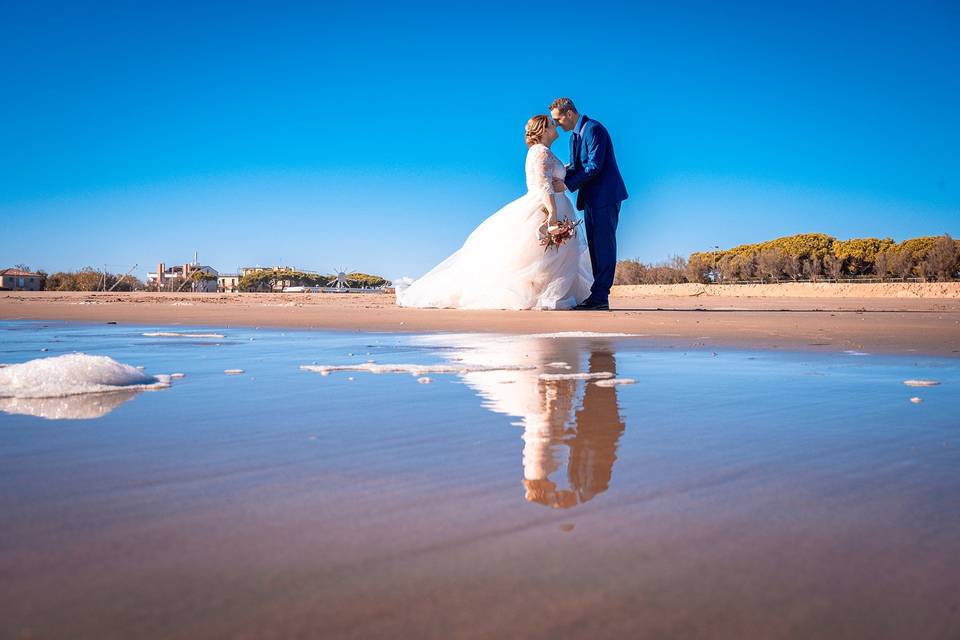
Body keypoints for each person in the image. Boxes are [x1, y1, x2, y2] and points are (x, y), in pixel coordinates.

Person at [396, 115, 592, 310]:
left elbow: (552, 178)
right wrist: (552, 214)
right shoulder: (540, 152)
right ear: (544, 131)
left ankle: (547, 294)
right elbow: (544, 186)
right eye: (551, 123)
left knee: (548, 256)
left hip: (555, 205)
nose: (555, 125)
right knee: (540, 256)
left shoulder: (543, 152)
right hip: (543, 208)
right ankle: (541, 295)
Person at [549, 98, 628, 311]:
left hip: (606, 196)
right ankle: (598, 296)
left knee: (604, 246)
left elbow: (594, 166)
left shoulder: (594, 129)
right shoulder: (574, 138)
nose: (557, 124)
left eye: (558, 119)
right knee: (595, 247)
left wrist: (565, 185)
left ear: (570, 113)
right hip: (591, 199)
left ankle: (601, 297)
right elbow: (577, 166)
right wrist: (558, 175)